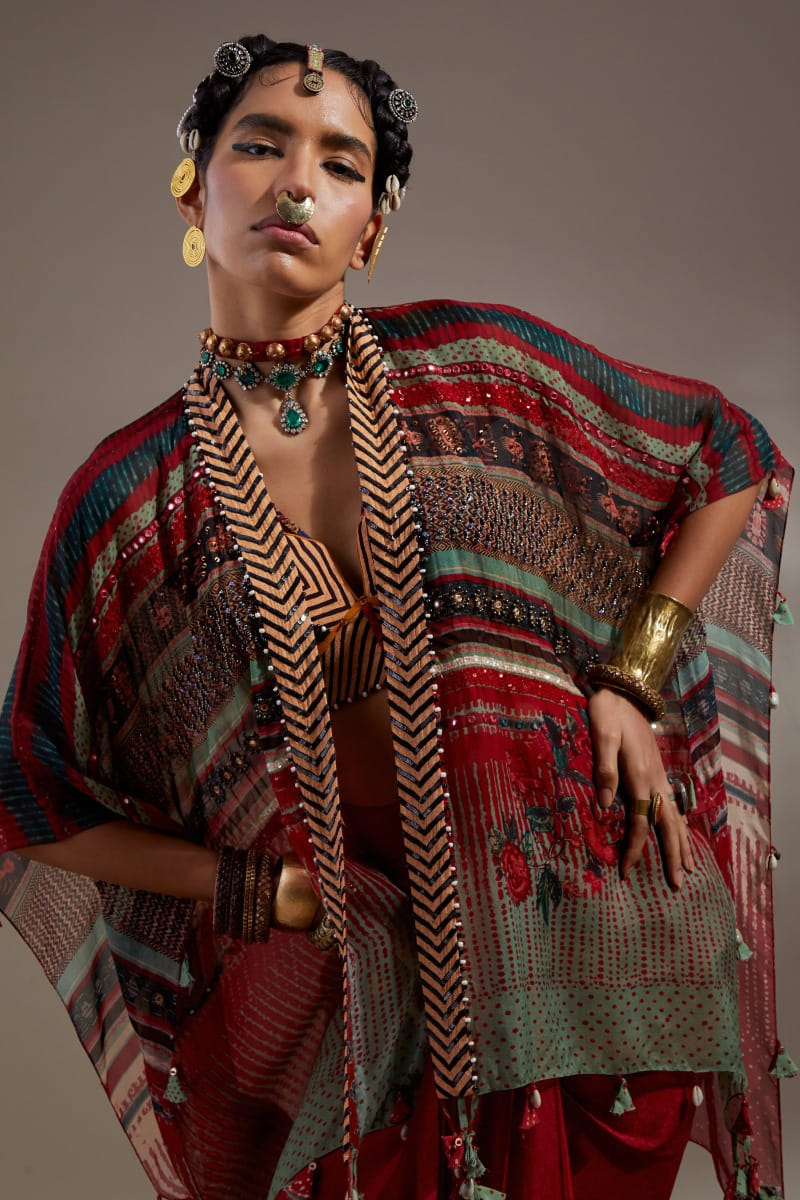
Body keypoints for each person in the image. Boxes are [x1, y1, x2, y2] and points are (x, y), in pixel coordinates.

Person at [0, 32, 793, 1200]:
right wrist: (259, 892)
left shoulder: (474, 368)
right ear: (191, 187)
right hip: (350, 981)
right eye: (259, 145)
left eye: (339, 163)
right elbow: (28, 796)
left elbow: (726, 454)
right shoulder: (126, 503)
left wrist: (630, 681)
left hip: (568, 934)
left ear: (370, 228)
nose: (295, 182)